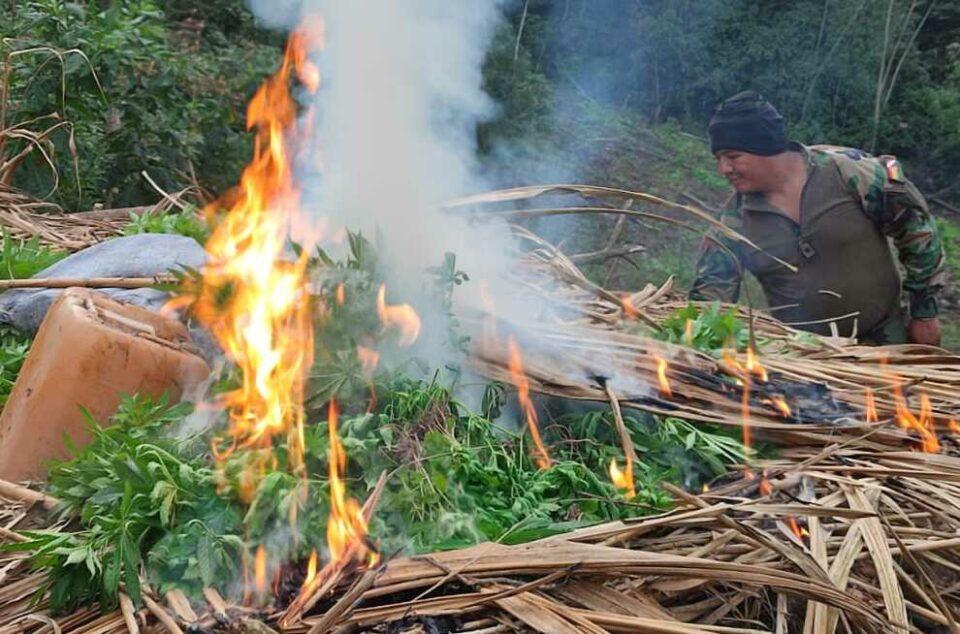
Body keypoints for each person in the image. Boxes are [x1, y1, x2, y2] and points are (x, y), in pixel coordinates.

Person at [689, 91, 946, 346]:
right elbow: (711, 298)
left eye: (733, 157)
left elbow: (916, 229)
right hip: (808, 361)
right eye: (718, 159)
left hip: (886, 341)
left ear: (766, 147)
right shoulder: (733, 222)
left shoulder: (848, 173)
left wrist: (924, 313)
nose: (723, 168)